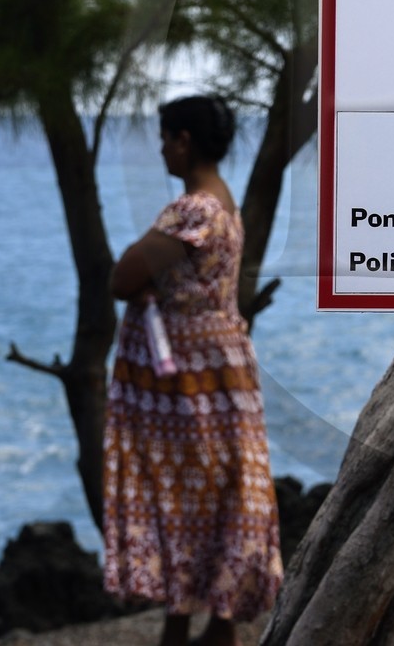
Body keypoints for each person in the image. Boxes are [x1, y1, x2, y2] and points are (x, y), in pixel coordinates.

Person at [103, 95, 283, 646]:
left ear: (184, 141)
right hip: (221, 373)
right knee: (220, 490)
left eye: (165, 136)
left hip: (186, 384)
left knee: (181, 492)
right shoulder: (224, 205)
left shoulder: (193, 211)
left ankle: (189, 623)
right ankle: (214, 621)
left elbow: (122, 277)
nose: (160, 147)